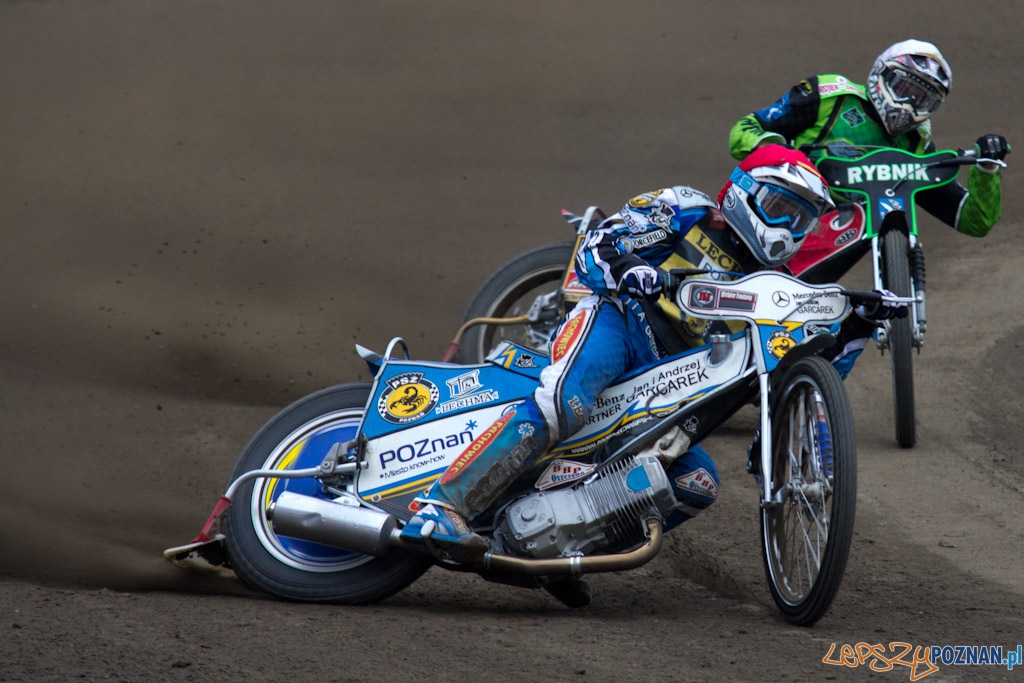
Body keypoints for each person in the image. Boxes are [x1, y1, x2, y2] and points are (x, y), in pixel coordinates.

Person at [400, 145, 899, 606]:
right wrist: (630, 268)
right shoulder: (689, 209)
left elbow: (797, 387)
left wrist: (857, 326)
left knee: (697, 482)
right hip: (619, 324)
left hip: (671, 391)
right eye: (781, 207)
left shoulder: (779, 291)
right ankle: (442, 506)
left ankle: (553, 550)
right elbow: (600, 243)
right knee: (564, 403)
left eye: (802, 219)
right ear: (744, 191)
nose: (788, 228)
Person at [728, 39, 1009, 375]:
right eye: (904, 88)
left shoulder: (915, 145)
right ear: (881, 76)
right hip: (772, 212)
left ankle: (815, 368)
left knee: (865, 228)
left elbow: (974, 220)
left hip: (831, 236)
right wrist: (787, 156)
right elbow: (744, 131)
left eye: (923, 99)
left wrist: (986, 170)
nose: (910, 104)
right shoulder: (831, 96)